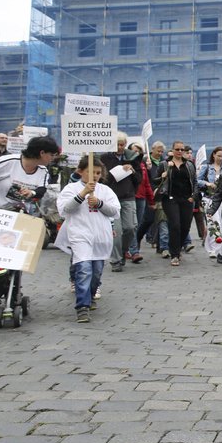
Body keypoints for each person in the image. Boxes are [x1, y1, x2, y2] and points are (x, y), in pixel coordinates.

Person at [56, 155, 120, 323]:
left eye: (98, 173)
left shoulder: (105, 191)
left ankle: (90, 296)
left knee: (96, 272)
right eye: (91, 172)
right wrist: (82, 194)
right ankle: (82, 307)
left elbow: (114, 211)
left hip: (100, 235)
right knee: (84, 268)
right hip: (80, 234)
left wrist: (99, 203)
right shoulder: (70, 188)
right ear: (81, 171)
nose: (95, 176)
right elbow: (65, 210)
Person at [100, 133, 142, 272]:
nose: (119, 147)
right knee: (117, 231)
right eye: (117, 144)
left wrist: (132, 171)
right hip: (112, 197)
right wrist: (117, 171)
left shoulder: (132, 157)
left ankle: (123, 252)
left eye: (122, 144)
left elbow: (139, 179)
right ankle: (116, 260)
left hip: (128, 196)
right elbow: (103, 179)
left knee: (130, 228)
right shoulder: (105, 158)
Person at [155, 141, 197, 266]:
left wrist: (194, 196)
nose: (179, 151)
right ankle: (175, 254)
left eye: (181, 149)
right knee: (175, 225)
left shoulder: (189, 165)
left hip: (186, 199)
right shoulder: (164, 164)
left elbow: (194, 181)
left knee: (185, 226)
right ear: (172, 150)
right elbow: (155, 181)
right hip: (170, 198)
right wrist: (162, 177)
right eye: (177, 149)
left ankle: (177, 248)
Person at [0, 135, 59, 211]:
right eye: (51, 155)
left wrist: (31, 192)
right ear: (42, 153)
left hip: (17, 214)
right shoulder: (8, 161)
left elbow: (42, 189)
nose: (53, 158)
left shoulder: (43, 170)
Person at [198, 146, 222, 259]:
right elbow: (197, 180)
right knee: (213, 223)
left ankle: (218, 248)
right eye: (219, 155)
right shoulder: (206, 167)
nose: (220, 158)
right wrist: (207, 184)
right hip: (208, 198)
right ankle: (212, 249)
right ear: (214, 155)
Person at [127, 143, 153, 264]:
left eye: (138, 151)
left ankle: (131, 249)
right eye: (134, 151)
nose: (136, 153)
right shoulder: (125, 164)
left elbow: (146, 183)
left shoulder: (142, 166)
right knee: (130, 225)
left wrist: (151, 199)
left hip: (141, 197)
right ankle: (133, 251)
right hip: (129, 197)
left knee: (136, 225)